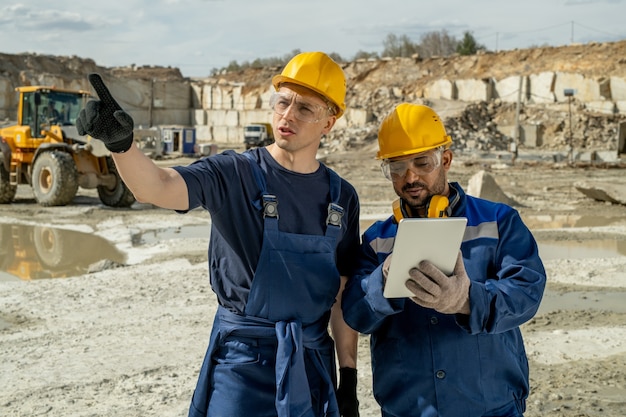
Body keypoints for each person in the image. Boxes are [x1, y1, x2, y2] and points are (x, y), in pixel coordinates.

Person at [76, 52, 361, 417]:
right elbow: (158, 186)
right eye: (283, 102)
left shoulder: (342, 197)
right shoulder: (234, 173)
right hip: (241, 367)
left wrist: (349, 378)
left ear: (329, 122)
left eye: (305, 109)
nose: (288, 115)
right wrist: (122, 146)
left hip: (311, 365)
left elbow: (340, 292)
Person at [341, 103, 546, 417]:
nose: (410, 177)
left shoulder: (499, 221)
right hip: (409, 408)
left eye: (422, 163)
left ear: (445, 160)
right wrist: (380, 281)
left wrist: (467, 300)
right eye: (396, 167)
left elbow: (526, 292)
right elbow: (355, 315)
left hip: (491, 407)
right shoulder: (376, 240)